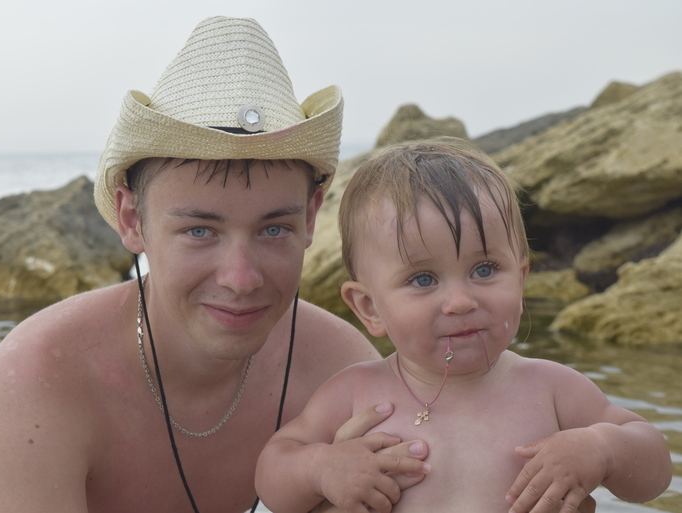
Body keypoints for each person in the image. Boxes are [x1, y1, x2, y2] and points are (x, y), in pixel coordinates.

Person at [0, 17, 431, 513]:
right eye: (199, 231)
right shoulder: (42, 377)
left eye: (273, 229)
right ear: (132, 219)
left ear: (310, 218)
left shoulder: (338, 369)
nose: (241, 279)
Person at [255, 139, 673, 513]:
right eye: (423, 279)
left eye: (484, 269)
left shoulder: (552, 388)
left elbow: (653, 470)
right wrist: (322, 468)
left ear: (521, 280)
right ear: (369, 308)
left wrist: (602, 448)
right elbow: (273, 472)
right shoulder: (354, 392)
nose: (460, 302)